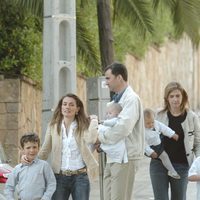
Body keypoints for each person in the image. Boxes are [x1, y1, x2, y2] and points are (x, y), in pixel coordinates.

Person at [22, 93, 99, 200]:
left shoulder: (84, 125)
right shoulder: (53, 126)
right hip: (59, 177)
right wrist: (30, 161)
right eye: (65, 104)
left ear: (77, 109)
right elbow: (45, 150)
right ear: (61, 107)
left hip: (80, 177)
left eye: (71, 105)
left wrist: (94, 121)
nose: (67, 107)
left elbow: (92, 138)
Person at [96, 62, 145, 200]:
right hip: (113, 156)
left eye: (108, 78)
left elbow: (123, 128)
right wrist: (102, 143)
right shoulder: (114, 101)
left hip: (126, 157)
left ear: (119, 78)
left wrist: (100, 138)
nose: (106, 83)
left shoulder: (131, 99)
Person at [150, 81, 200, 200]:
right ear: (167, 98)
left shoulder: (192, 117)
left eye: (178, 96)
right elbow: (147, 135)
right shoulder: (158, 115)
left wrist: (199, 163)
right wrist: (148, 151)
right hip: (159, 165)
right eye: (171, 96)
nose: (175, 99)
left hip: (181, 166)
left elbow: (198, 143)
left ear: (183, 97)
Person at [4, 133, 56, 200]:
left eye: (34, 147)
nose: (32, 150)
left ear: (38, 147)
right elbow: (9, 186)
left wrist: (45, 198)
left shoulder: (44, 166)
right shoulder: (17, 168)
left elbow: (51, 183)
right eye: (28, 148)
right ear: (23, 149)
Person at [144, 108, 180, 179]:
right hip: (151, 147)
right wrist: (150, 152)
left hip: (158, 142)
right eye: (148, 123)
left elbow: (164, 128)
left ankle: (173, 165)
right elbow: (143, 144)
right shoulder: (142, 131)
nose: (151, 125)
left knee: (167, 149)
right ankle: (172, 171)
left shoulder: (156, 123)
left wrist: (172, 134)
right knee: (164, 156)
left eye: (152, 122)